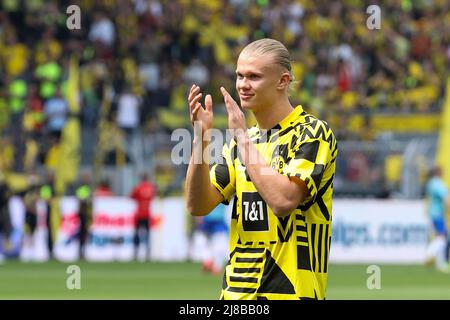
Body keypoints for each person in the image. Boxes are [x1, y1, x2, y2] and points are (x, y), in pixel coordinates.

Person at [186, 38, 338, 300]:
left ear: (282, 81)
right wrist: (201, 137)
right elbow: (197, 205)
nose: (243, 85)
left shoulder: (312, 134)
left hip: (292, 294)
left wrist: (242, 138)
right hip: (236, 296)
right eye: (240, 75)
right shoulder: (241, 141)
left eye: (254, 77)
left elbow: (283, 200)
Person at [191, 203, 229, 275]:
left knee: (203, 239)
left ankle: (209, 261)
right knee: (218, 242)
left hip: (211, 218)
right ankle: (213, 264)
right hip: (215, 218)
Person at [425, 165, 450, 272]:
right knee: (442, 237)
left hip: (433, 213)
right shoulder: (438, 183)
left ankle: (440, 264)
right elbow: (446, 197)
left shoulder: (430, 183)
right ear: (439, 172)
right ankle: (429, 254)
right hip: (437, 214)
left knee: (441, 236)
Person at [130, 173, 156, 261]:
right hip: (147, 214)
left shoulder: (138, 188)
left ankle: (135, 253)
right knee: (147, 234)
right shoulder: (151, 188)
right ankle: (148, 254)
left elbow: (131, 196)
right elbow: (154, 196)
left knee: (137, 234)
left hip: (139, 215)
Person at [75, 171, 93, 260]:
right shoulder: (82, 189)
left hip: (87, 214)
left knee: (85, 234)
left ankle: (83, 251)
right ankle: (80, 252)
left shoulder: (88, 188)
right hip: (83, 213)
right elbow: (81, 200)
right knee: (82, 233)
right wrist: (87, 200)